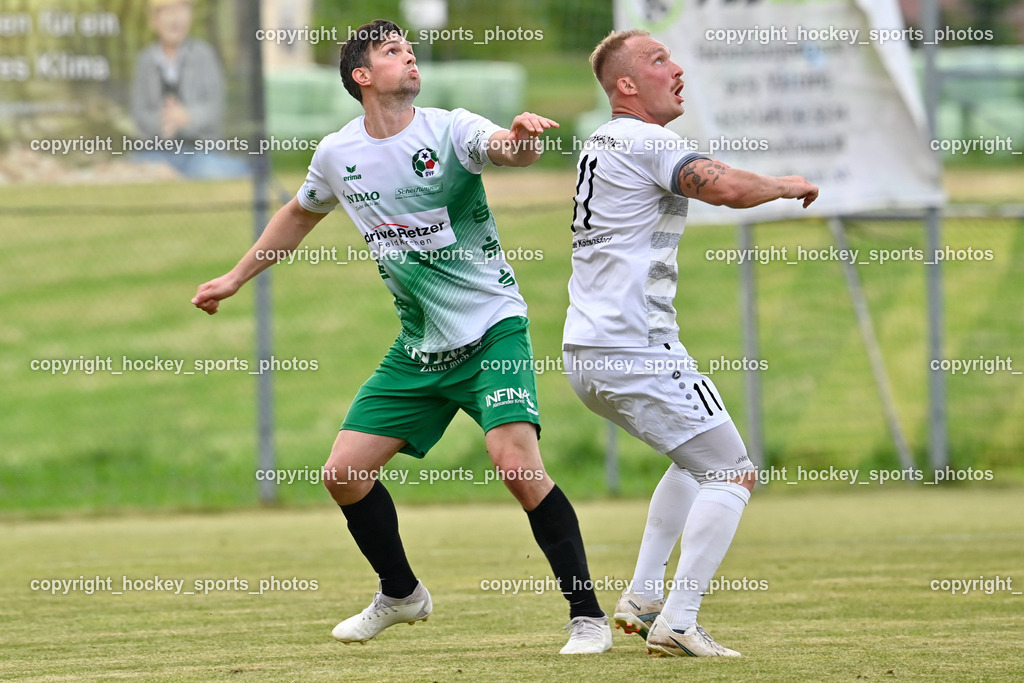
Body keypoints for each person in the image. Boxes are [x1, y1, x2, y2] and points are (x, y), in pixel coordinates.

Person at [192, 19, 611, 655]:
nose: (409, 59)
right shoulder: (337, 153)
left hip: (492, 328)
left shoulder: (449, 129)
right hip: (419, 347)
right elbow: (300, 213)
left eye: (411, 51)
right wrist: (234, 277)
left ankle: (587, 618)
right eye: (393, 52)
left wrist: (522, 141)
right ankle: (401, 593)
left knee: (517, 467)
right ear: (362, 77)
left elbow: (500, 148)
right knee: (343, 474)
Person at [562, 29, 818, 657]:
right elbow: (723, 187)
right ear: (626, 85)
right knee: (732, 472)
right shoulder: (645, 138)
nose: (675, 68)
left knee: (693, 461)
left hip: (587, 350)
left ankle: (646, 598)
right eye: (657, 61)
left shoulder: (601, 141)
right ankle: (678, 620)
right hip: (635, 347)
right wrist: (783, 183)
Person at [131, 0, 247, 178]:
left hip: (201, 151)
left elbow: (215, 108)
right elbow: (139, 114)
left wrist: (186, 117)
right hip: (157, 151)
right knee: (135, 170)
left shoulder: (204, 55)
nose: (175, 19)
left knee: (209, 170)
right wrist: (166, 121)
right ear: (154, 20)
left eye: (181, 11)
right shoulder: (145, 60)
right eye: (168, 12)